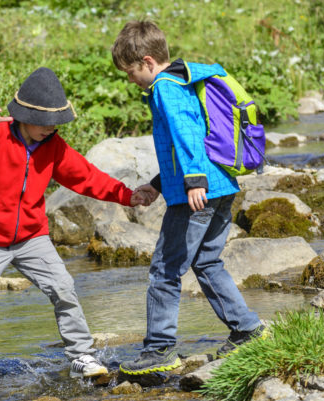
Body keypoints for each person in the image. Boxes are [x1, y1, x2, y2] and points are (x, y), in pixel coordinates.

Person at [0, 67, 144, 378]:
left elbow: (87, 178)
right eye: (44, 123)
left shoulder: (54, 147)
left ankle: (81, 357)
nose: (50, 129)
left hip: (32, 238)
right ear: (23, 115)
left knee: (63, 288)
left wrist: (127, 196)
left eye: (55, 124)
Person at [110, 20, 265, 376]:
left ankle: (159, 348)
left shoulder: (165, 86)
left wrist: (194, 182)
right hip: (221, 187)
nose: (130, 79)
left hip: (197, 193)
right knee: (208, 263)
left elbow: (186, 133)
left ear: (148, 62)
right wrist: (158, 183)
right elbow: (181, 147)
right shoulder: (184, 79)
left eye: (131, 71)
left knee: (164, 270)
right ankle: (248, 329)